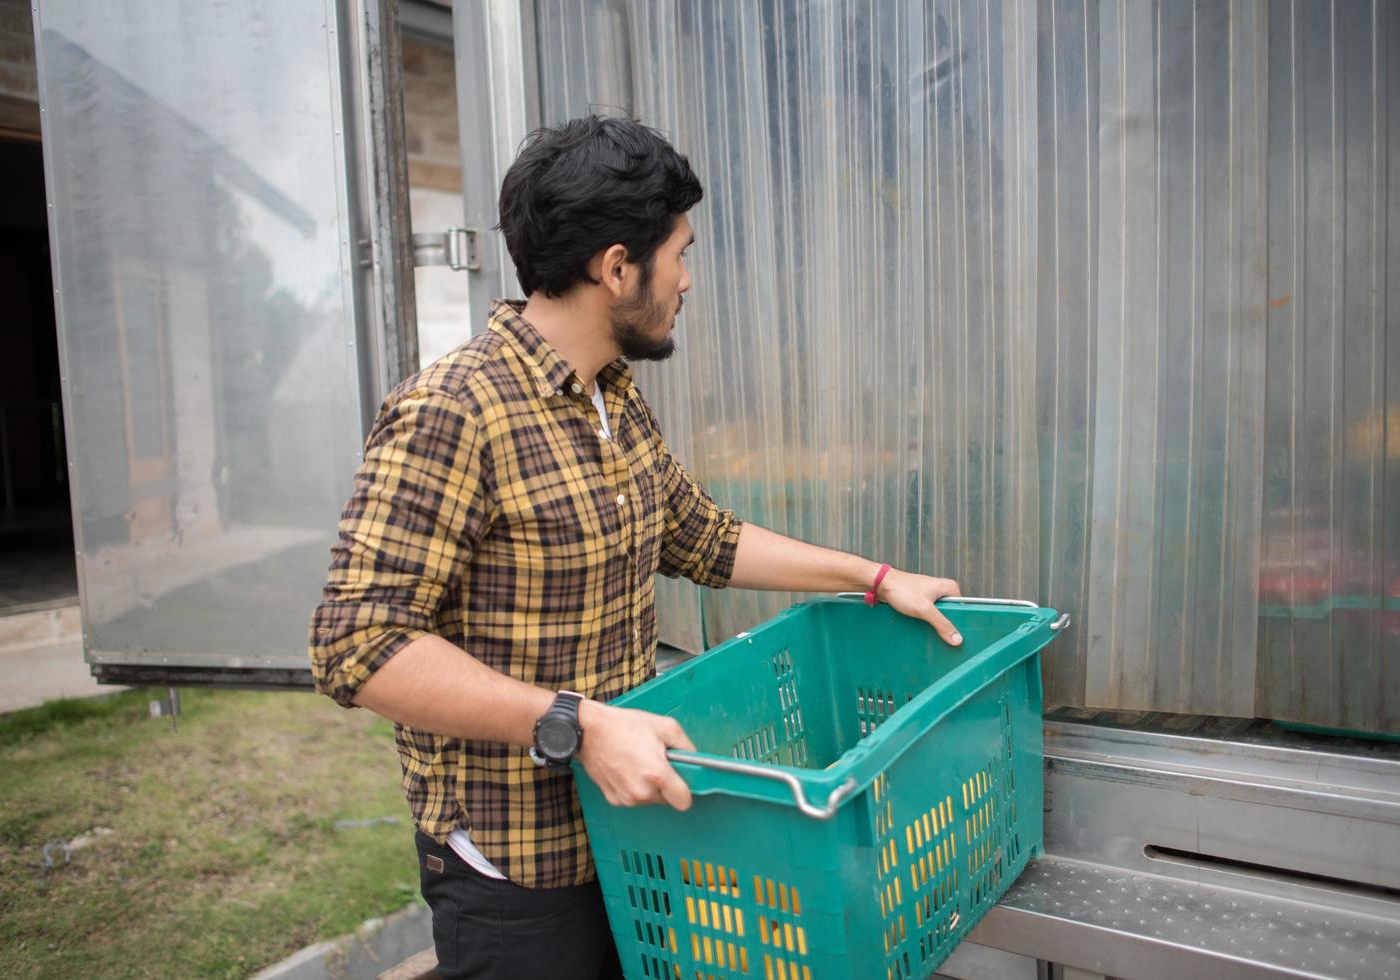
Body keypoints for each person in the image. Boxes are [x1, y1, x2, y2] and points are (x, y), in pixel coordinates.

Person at [308, 115, 964, 980]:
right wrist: (574, 725)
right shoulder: (453, 410)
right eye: (678, 254)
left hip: (629, 836)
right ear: (616, 268)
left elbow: (701, 537)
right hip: (518, 871)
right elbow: (356, 645)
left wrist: (876, 579)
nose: (686, 280)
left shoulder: (608, 397)